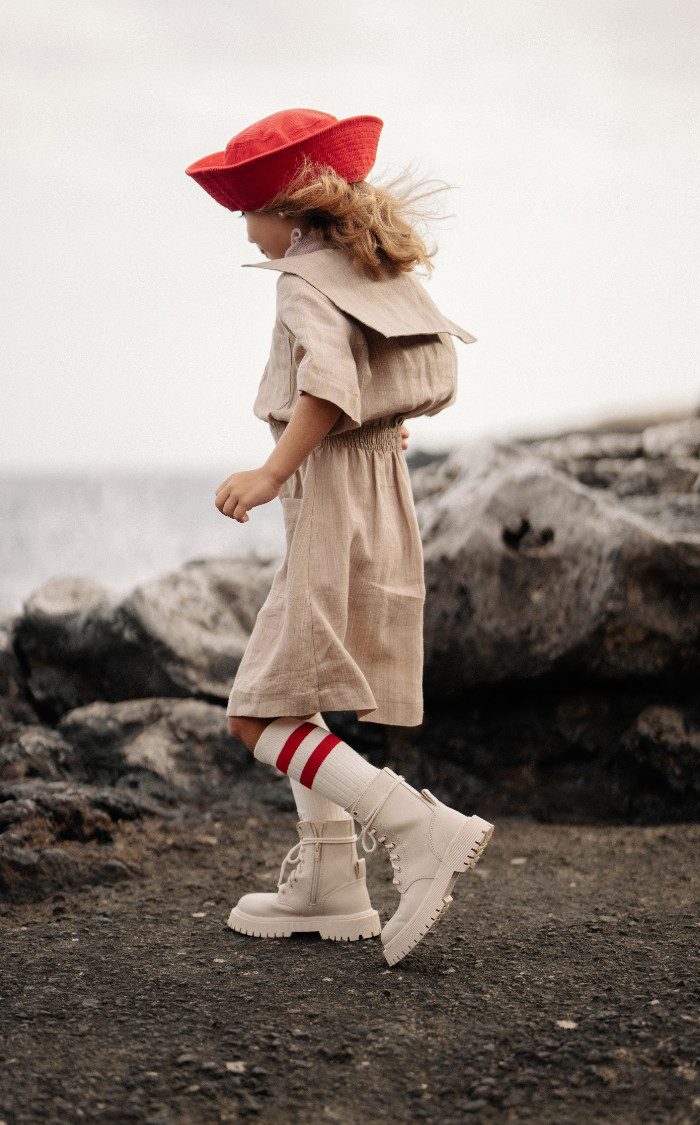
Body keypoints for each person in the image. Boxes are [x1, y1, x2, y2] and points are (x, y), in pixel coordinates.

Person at [185, 108, 494, 966]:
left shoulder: (300, 280)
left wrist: (270, 471)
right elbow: (396, 374)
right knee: (302, 681)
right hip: (379, 489)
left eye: (249, 211)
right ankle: (330, 880)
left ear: (287, 211)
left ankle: (416, 826)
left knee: (255, 711)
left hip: (327, 492)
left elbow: (327, 383)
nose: (245, 230)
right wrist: (377, 428)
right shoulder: (371, 268)